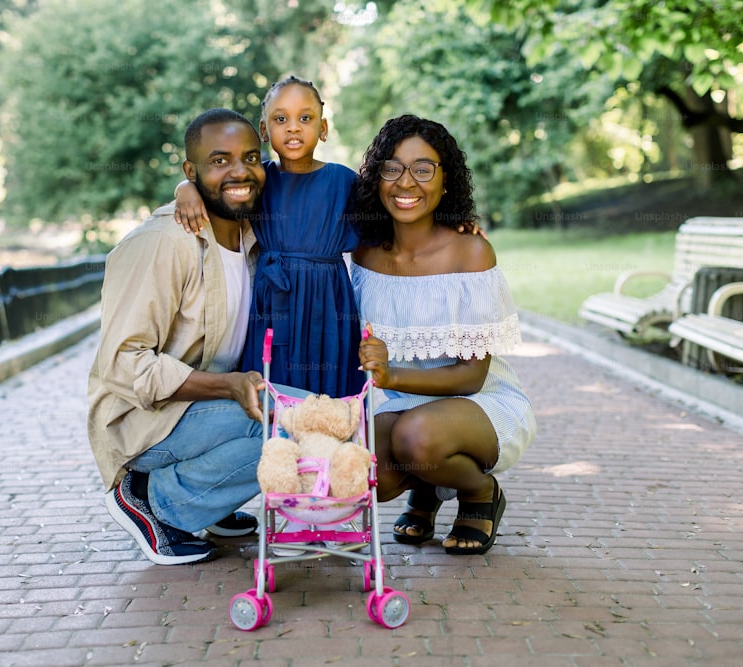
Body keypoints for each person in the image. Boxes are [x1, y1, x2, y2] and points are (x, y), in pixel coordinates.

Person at [87, 108, 272, 566]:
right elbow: (124, 364)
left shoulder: (251, 233)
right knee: (283, 426)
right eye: (219, 161)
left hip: (202, 409)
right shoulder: (161, 244)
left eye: (250, 157)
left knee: (309, 410)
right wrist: (227, 386)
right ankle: (152, 498)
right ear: (191, 171)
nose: (239, 171)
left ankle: (213, 500)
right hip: (142, 421)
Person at [349, 115, 537, 555]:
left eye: (423, 168)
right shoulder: (363, 252)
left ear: (445, 178)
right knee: (360, 473)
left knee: (418, 438)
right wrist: (189, 191)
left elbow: (471, 377)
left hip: (479, 403)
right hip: (403, 406)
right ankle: (429, 486)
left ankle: (479, 493)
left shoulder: (469, 251)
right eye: (392, 168)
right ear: (377, 178)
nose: (405, 182)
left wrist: (391, 377)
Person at [174, 76, 363, 397]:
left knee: (330, 396)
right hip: (271, 302)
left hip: (327, 303)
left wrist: (455, 225)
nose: (293, 127)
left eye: (305, 118)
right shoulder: (256, 178)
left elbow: (394, 220)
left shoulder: (344, 182)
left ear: (324, 128)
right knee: (272, 392)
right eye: (280, 119)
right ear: (264, 131)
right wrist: (185, 188)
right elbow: (214, 186)